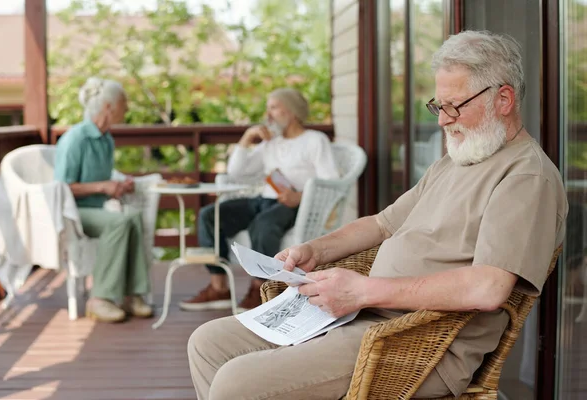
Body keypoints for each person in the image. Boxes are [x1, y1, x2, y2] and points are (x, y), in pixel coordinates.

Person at [187, 30, 569, 399]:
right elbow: (382, 223)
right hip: (363, 315)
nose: (442, 121)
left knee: (236, 383)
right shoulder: (460, 159)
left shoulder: (525, 176)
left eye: (454, 107)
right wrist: (315, 250)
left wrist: (361, 291)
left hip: (416, 345)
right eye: (438, 106)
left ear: (503, 99)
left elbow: (489, 288)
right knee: (207, 343)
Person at [180, 88, 340, 312]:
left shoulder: (315, 140)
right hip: (262, 199)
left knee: (263, 225)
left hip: (294, 204)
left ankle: (260, 287)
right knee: (210, 215)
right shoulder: (270, 143)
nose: (268, 114)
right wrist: (246, 140)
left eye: (274, 107)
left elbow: (331, 182)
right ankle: (219, 287)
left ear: (292, 111)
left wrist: (299, 197)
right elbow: (236, 173)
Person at [54, 77, 153, 323]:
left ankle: (132, 294)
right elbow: (62, 187)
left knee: (133, 217)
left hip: (97, 208)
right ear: (108, 107)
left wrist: (119, 184)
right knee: (118, 222)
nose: (127, 108)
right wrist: (102, 186)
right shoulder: (75, 139)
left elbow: (104, 177)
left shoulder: (106, 138)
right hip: (73, 212)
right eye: (123, 102)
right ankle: (100, 298)